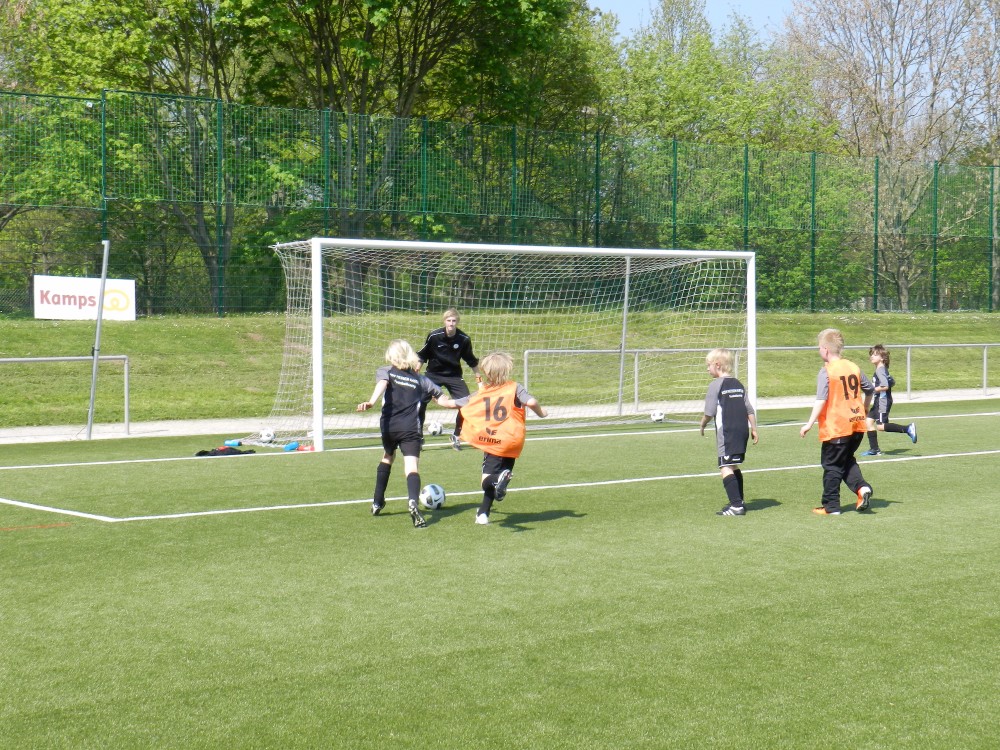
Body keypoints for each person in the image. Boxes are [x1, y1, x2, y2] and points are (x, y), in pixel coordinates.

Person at [357, 340, 458, 528]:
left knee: (388, 456)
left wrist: (371, 402)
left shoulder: (386, 371)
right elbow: (446, 402)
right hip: (411, 428)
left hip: (389, 427)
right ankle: (413, 501)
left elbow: (382, 384)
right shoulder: (421, 380)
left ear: (391, 355)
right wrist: (469, 401)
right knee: (411, 467)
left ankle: (377, 501)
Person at [454, 351, 547, 525]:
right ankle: (483, 513)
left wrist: (436, 395)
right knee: (499, 479)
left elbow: (455, 404)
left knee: (487, 481)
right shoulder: (515, 387)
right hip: (514, 441)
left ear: (487, 373)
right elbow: (532, 402)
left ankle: (497, 481)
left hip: (495, 440)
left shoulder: (484, 391)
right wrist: (542, 413)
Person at [800, 328, 875, 515]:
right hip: (857, 425)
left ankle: (831, 506)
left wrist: (809, 423)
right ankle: (862, 488)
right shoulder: (853, 367)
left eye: (819, 347)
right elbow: (870, 389)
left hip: (837, 427)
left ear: (825, 349)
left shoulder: (827, 371)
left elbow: (821, 400)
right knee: (846, 460)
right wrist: (865, 408)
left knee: (832, 465)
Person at [699, 348, 759, 516]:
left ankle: (736, 506)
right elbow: (749, 409)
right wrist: (754, 429)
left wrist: (702, 424)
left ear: (717, 365)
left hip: (727, 432)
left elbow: (709, 412)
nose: (707, 369)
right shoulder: (738, 384)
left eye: (708, 365)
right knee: (733, 465)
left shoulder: (715, 385)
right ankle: (739, 501)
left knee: (725, 466)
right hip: (742, 430)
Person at [417, 309, 481, 450]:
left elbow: (471, 361)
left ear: (457, 322)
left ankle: (456, 435)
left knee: (466, 404)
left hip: (454, 376)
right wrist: (416, 371)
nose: (451, 323)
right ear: (444, 321)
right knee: (419, 402)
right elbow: (422, 355)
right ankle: (418, 436)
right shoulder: (434, 336)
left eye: (454, 321)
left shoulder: (464, 339)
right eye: (448, 320)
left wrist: (479, 381)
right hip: (433, 374)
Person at [861, 344, 917, 455]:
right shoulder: (882, 369)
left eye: (875, 355)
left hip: (883, 401)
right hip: (878, 401)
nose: (872, 356)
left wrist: (872, 389)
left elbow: (885, 386)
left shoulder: (880, 370)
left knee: (881, 426)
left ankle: (908, 429)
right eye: (871, 354)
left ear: (882, 358)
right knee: (868, 422)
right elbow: (892, 382)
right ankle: (874, 449)